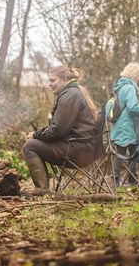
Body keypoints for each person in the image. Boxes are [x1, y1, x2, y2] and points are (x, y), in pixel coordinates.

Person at [22, 66, 98, 194]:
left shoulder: (69, 96)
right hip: (84, 148)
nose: (49, 84)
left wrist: (35, 135)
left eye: (52, 80)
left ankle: (41, 191)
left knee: (30, 146)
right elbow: (60, 128)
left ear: (63, 79)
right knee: (33, 142)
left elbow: (56, 131)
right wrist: (37, 134)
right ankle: (42, 189)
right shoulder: (75, 92)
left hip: (76, 151)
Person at [107, 63, 139, 187]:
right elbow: (132, 108)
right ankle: (129, 180)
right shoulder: (130, 88)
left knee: (124, 152)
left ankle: (124, 180)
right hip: (127, 126)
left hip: (118, 125)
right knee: (127, 152)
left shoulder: (119, 88)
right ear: (134, 75)